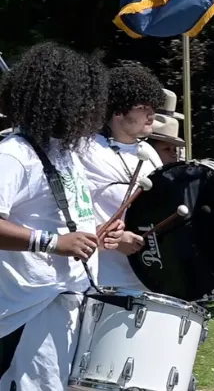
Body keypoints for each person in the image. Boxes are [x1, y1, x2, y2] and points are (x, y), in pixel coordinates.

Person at [0, 42, 124, 391]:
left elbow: (61, 222)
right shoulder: (14, 155)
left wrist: (96, 234)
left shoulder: (64, 153)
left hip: (68, 304)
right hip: (27, 313)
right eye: (83, 101)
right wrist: (53, 243)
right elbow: (51, 236)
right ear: (59, 102)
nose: (92, 112)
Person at [80, 66, 164, 290]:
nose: (152, 115)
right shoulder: (86, 150)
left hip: (147, 278)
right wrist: (115, 241)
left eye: (152, 106)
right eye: (143, 107)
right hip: (103, 282)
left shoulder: (149, 152)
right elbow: (68, 211)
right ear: (119, 111)